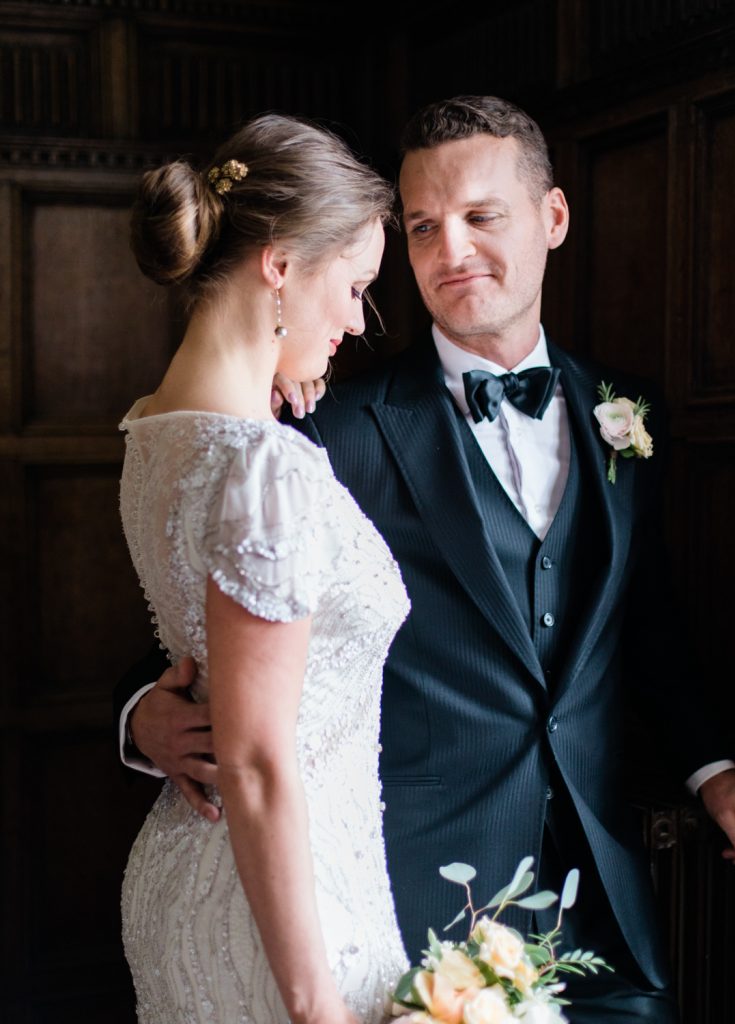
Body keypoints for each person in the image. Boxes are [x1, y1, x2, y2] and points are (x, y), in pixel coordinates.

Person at [116, 96, 735, 1023]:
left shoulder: (623, 409)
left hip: (609, 906)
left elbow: (642, 618)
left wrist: (713, 767)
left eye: (481, 217)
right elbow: (208, 615)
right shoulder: (322, 429)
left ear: (553, 218)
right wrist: (142, 715)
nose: (450, 250)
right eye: (423, 226)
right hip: (416, 907)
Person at [116, 112, 410, 1024]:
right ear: (278, 265)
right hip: (288, 910)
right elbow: (253, 759)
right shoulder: (264, 465)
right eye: (353, 288)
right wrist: (314, 1002)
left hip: (192, 872)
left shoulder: (153, 434)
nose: (356, 324)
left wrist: (269, 376)